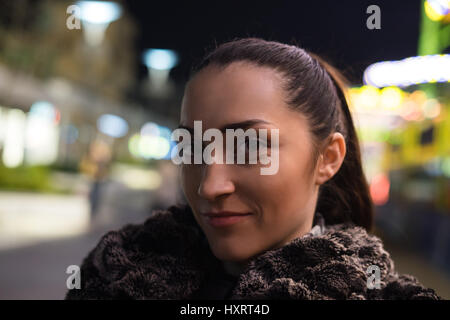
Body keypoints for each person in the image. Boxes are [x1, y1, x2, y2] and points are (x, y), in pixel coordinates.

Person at [65, 38, 440, 300]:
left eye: (250, 146)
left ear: (327, 158)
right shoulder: (112, 278)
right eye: (192, 147)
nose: (210, 186)